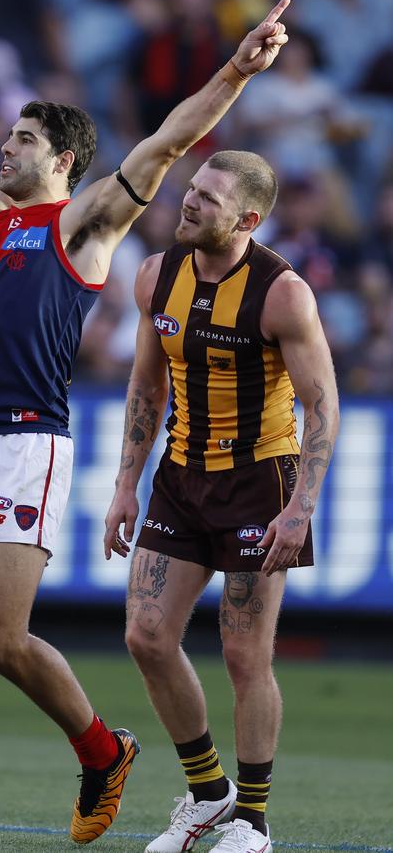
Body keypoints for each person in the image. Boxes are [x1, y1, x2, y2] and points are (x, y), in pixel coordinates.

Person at [0, 0, 291, 844]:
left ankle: (103, 751)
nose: (3, 145)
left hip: (27, 442)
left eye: (23, 138)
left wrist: (237, 72)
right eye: (9, 135)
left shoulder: (83, 224)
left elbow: (169, 140)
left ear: (62, 158)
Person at [103, 149, 339, 853]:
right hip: (180, 475)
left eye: (209, 196)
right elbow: (146, 387)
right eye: (192, 188)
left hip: (257, 485)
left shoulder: (282, 292)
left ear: (249, 217)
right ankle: (209, 796)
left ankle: (254, 823)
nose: (190, 201)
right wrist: (124, 482)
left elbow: (322, 406)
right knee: (145, 635)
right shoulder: (156, 274)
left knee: (245, 656)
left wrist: (300, 506)